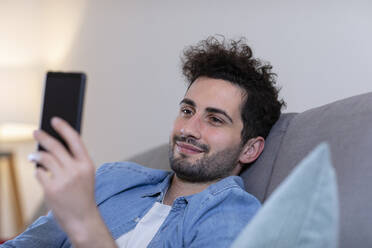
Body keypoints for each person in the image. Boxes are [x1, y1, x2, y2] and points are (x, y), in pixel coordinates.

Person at [1, 36, 285, 248]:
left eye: (215, 120)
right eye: (187, 111)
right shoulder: (112, 179)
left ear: (250, 149)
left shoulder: (233, 215)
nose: (189, 129)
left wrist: (85, 223)